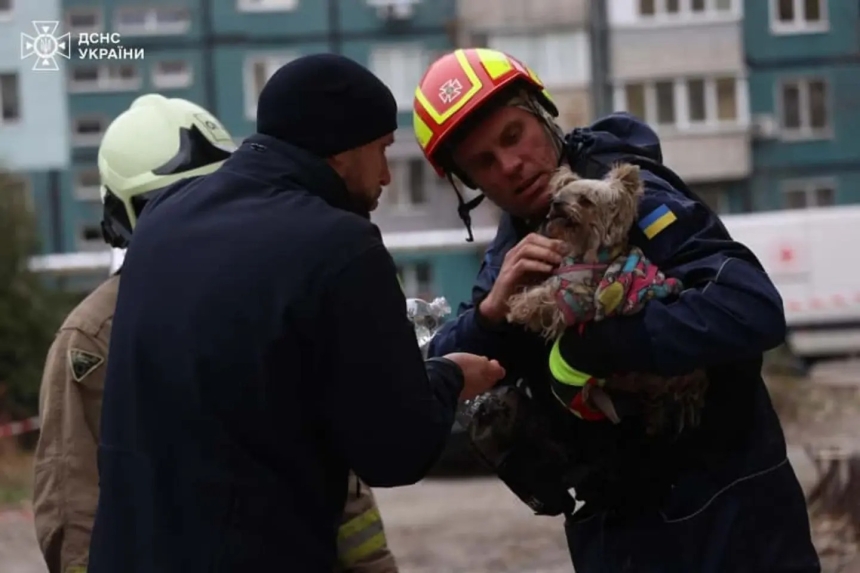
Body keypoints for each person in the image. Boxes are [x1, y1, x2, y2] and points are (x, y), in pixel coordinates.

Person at [86, 54, 505, 573]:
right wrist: (447, 377)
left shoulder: (165, 218)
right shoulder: (340, 246)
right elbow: (394, 451)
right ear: (342, 148)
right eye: (382, 149)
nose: (386, 176)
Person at [415, 48, 821, 572]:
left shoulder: (625, 200)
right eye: (483, 163)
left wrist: (599, 346)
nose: (510, 166)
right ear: (470, 183)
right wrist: (490, 316)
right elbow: (439, 375)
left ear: (542, 114)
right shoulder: (514, 248)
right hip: (617, 532)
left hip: (729, 519)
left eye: (514, 136)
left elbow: (752, 307)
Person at [32, 93, 404, 573]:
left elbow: (338, 480)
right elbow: (73, 506)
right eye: (169, 202)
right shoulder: (93, 338)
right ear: (122, 219)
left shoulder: (273, 301)